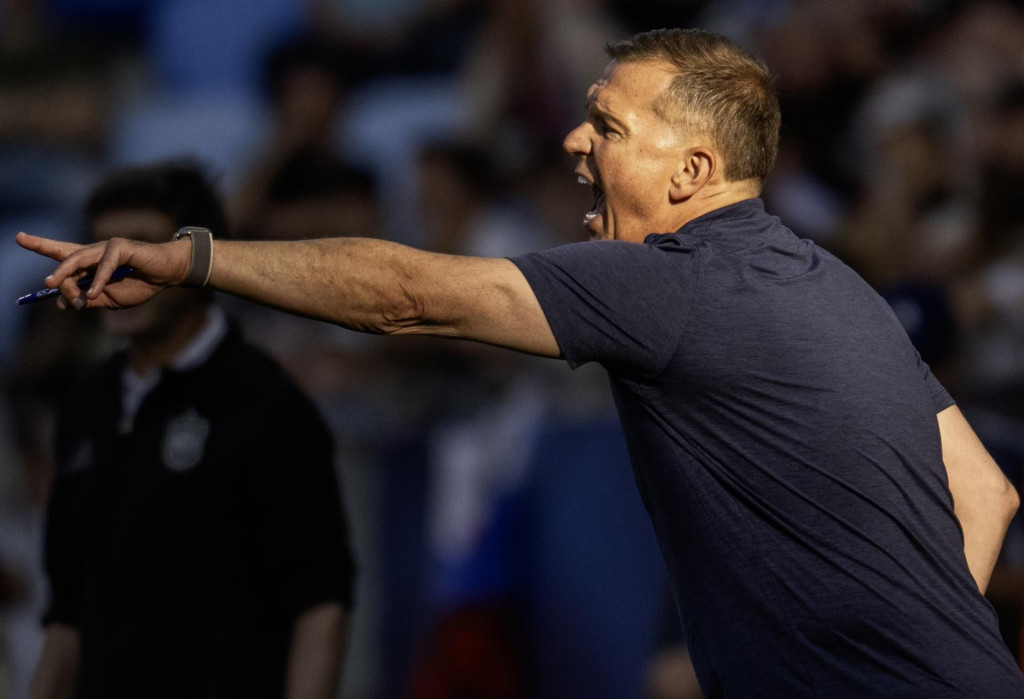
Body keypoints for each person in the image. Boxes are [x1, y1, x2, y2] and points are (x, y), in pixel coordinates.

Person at [17, 28, 1024, 697]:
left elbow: (406, 294)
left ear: (693, 171)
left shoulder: (669, 280)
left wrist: (193, 258)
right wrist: (913, 644)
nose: (575, 140)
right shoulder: (839, 285)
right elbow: (986, 493)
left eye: (610, 127)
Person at [27, 162, 356, 699]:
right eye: (98, 250)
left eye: (139, 250)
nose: (112, 270)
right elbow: (67, 616)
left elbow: (320, 602)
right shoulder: (86, 405)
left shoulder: (266, 403)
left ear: (194, 264)